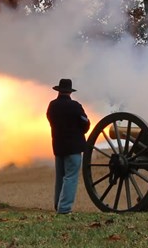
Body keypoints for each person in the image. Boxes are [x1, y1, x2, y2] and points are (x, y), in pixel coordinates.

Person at [47, 78, 91, 214]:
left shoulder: (52, 106)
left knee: (60, 177)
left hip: (58, 146)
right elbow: (86, 122)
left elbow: (50, 120)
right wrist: (80, 132)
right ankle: (64, 208)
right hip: (74, 147)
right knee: (71, 177)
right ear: (70, 92)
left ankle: (57, 204)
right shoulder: (75, 106)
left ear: (59, 90)